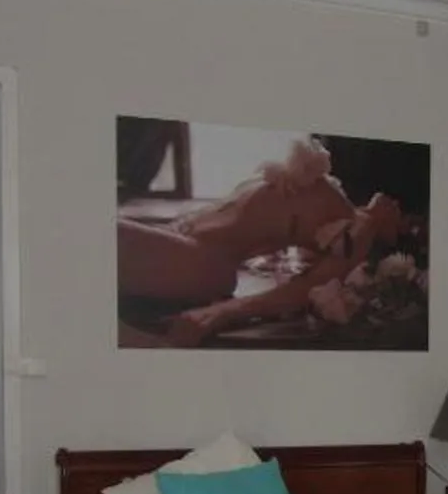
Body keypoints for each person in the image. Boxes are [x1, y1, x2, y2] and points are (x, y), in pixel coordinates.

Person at [117, 136, 406, 346]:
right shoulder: (324, 190)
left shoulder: (354, 226)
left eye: (404, 219)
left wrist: (218, 313)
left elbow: (308, 285)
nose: (392, 206)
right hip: (184, 234)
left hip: (206, 259)